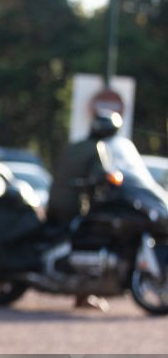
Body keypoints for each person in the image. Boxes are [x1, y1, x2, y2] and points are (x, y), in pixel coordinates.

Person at [47, 110, 123, 310]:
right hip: (74, 205)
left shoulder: (75, 146)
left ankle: (81, 293)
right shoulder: (98, 148)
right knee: (85, 243)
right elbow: (103, 174)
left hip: (55, 202)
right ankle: (82, 293)